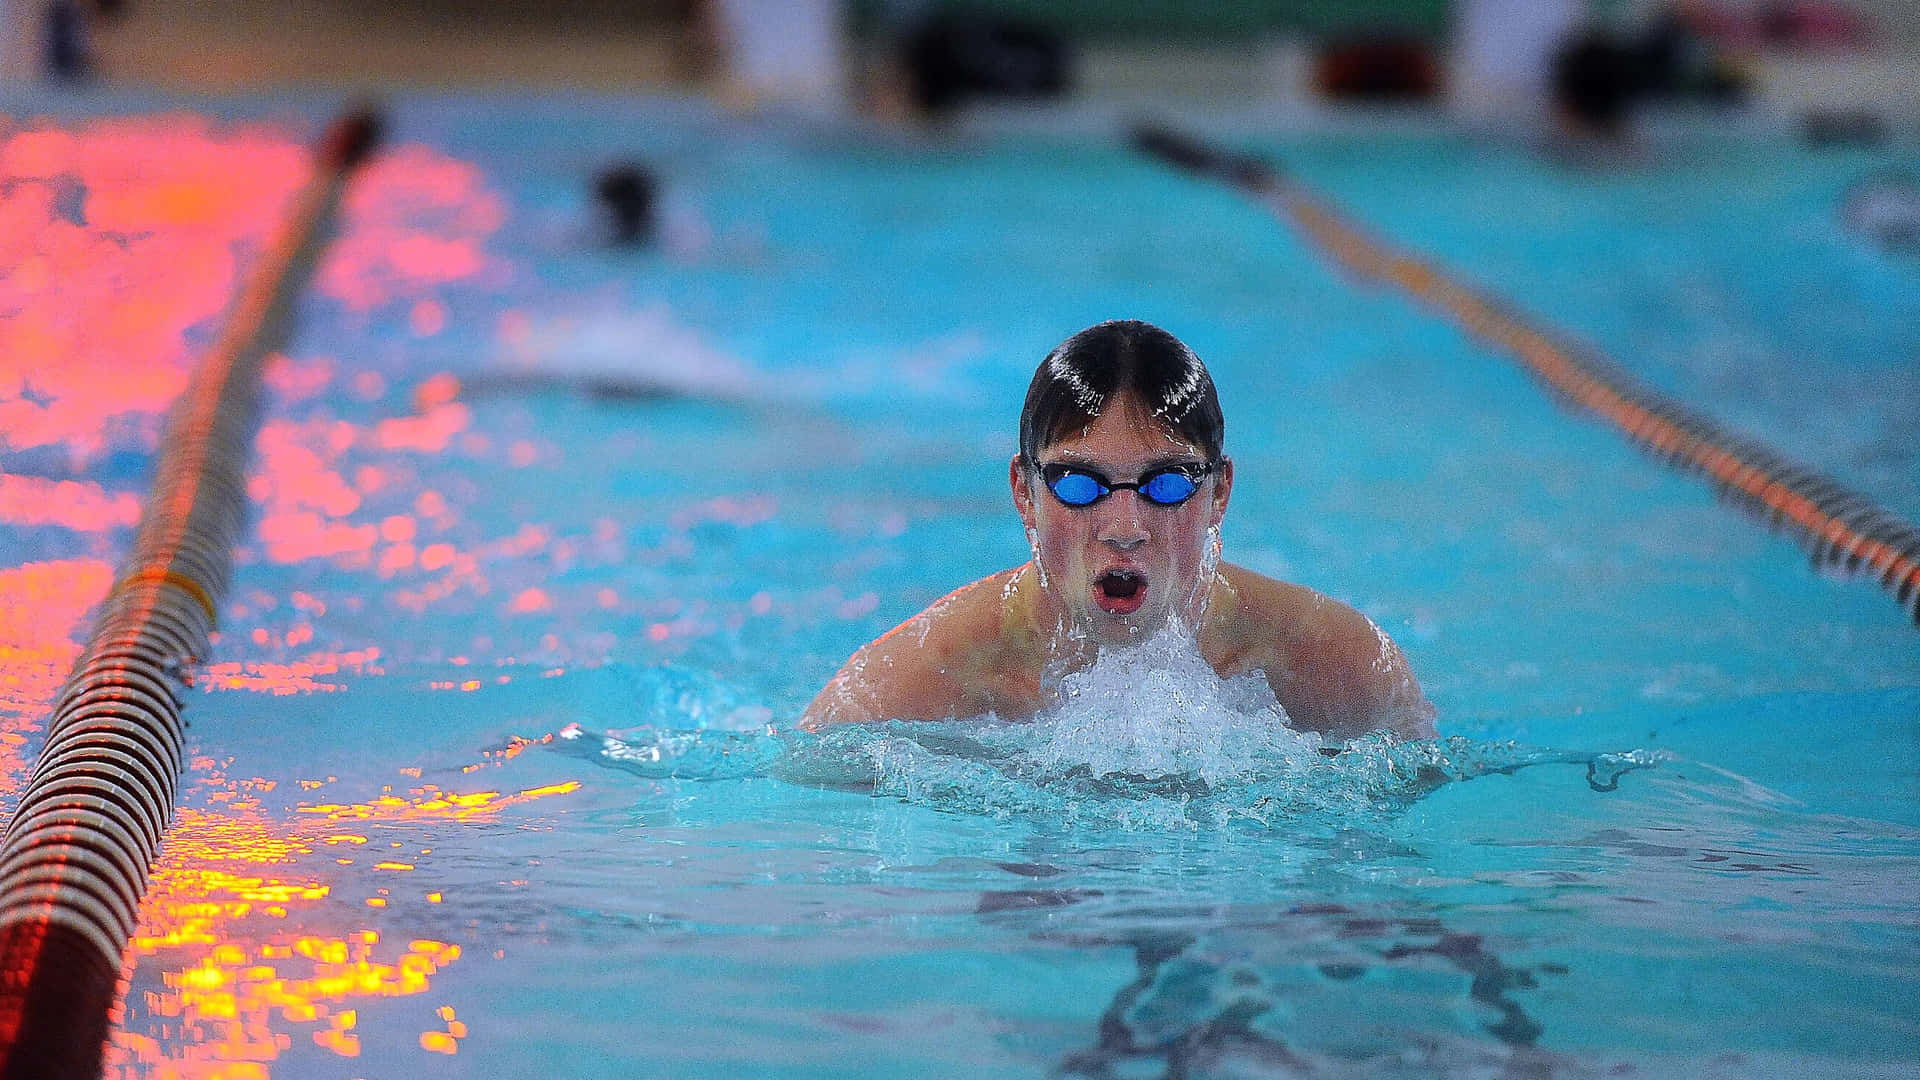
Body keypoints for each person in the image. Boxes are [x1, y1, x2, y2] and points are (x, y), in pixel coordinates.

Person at [801, 320, 1437, 741]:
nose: (1126, 527)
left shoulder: (1343, 670)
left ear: (1219, 493)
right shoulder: (909, 689)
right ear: (1025, 493)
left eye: (1167, 483)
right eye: (1081, 485)